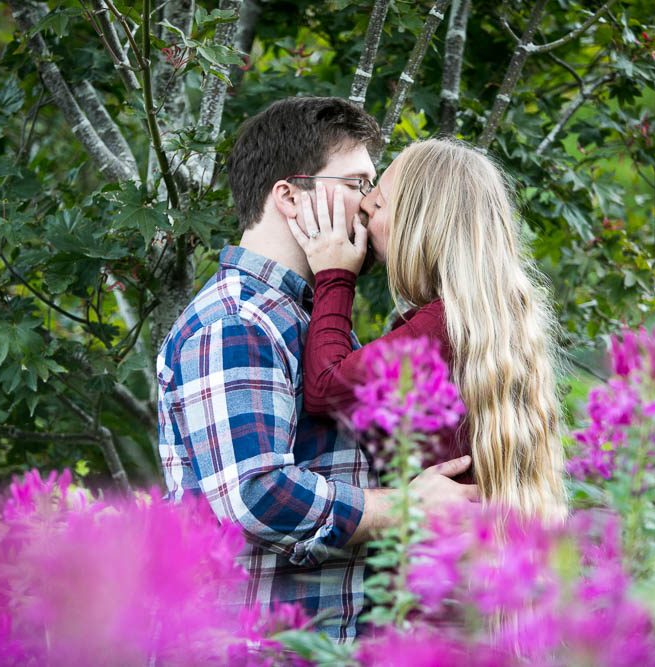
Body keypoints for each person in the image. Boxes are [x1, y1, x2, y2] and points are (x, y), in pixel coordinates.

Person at [157, 99, 479, 642]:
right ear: (288, 195)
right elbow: (255, 497)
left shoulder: (313, 321)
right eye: (355, 183)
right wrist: (407, 506)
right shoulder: (236, 322)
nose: (369, 204)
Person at [285, 138, 568, 524]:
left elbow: (324, 389)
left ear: (420, 225)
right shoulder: (478, 320)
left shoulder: (438, 328)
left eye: (380, 203)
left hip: (441, 566)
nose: (365, 207)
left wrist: (334, 277)